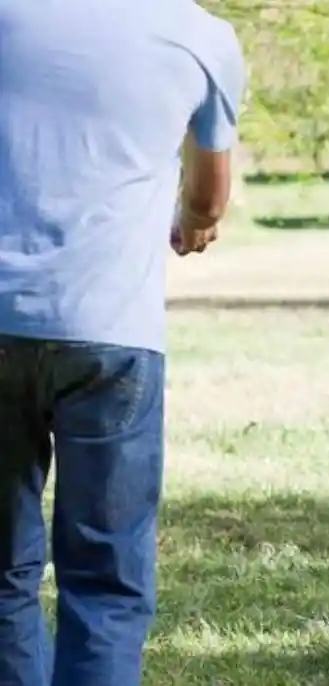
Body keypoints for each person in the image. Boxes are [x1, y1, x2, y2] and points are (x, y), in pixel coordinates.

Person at [0, 1, 245, 685]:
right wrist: (192, 221)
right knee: (105, 582)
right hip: (112, 334)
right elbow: (208, 198)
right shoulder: (202, 39)